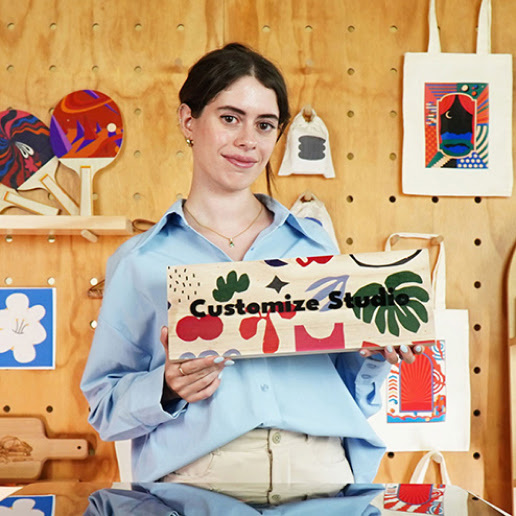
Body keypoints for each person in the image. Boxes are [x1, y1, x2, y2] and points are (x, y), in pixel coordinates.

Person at [80, 43, 419, 499]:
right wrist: (167, 388)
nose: (248, 141)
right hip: (198, 485)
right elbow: (105, 408)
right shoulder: (140, 261)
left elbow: (350, 392)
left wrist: (374, 356)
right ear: (188, 121)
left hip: (324, 475)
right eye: (229, 117)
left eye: (265, 125)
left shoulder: (316, 247)